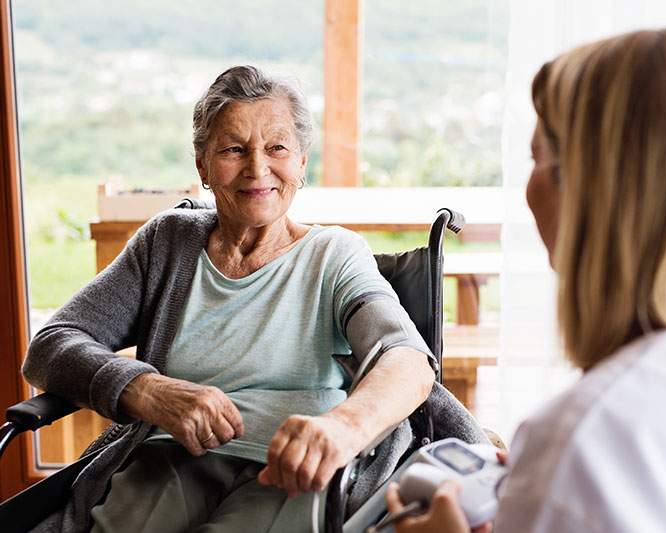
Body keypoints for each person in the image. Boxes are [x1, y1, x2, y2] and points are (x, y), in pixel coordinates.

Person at [387, 29, 666, 532]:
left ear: (585, 191)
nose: (527, 188)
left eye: (536, 157)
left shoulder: (584, 441)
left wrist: (547, 486)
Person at [22, 65, 441, 532]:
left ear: (302, 161)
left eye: (277, 147)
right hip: (170, 455)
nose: (257, 168)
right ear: (202, 164)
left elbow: (406, 359)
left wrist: (343, 428)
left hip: (293, 465)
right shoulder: (167, 243)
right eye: (233, 149)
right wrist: (146, 389)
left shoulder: (334, 255)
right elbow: (52, 344)